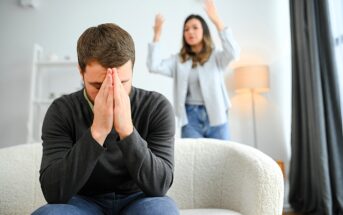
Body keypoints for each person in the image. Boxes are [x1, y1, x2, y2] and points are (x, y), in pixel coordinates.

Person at [32, 23, 179, 215]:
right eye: (97, 85)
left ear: (132, 71)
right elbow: (54, 193)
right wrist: (97, 132)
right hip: (81, 201)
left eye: (122, 82)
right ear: (81, 71)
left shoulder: (156, 107)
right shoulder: (61, 110)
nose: (109, 91)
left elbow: (159, 186)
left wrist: (127, 131)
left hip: (139, 198)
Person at [147, 0, 240, 140]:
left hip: (217, 115)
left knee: (221, 158)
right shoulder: (179, 60)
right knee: (195, 160)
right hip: (190, 118)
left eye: (195, 27)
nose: (190, 31)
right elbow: (154, 66)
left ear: (204, 31)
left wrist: (217, 20)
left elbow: (233, 53)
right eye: (186, 29)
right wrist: (157, 35)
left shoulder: (216, 57)